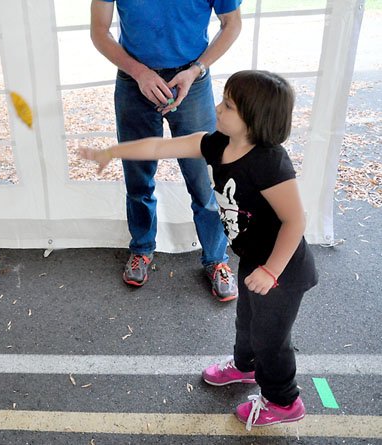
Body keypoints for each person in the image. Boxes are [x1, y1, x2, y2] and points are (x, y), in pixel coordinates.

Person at [80, 70, 318, 429]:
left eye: (228, 105)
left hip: (283, 270)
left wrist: (271, 271)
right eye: (223, 101)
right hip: (254, 258)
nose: (218, 109)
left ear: (255, 119)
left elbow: (295, 221)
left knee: (271, 339)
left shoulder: (270, 162)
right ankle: (245, 368)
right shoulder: (217, 143)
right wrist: (111, 152)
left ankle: (284, 402)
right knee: (247, 323)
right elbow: (160, 147)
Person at [90, 0, 242, 298]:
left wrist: (196, 70)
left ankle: (216, 259)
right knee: (138, 177)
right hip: (134, 83)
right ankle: (142, 248)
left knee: (205, 180)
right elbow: (99, 30)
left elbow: (231, 24)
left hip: (192, 81)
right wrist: (139, 73)